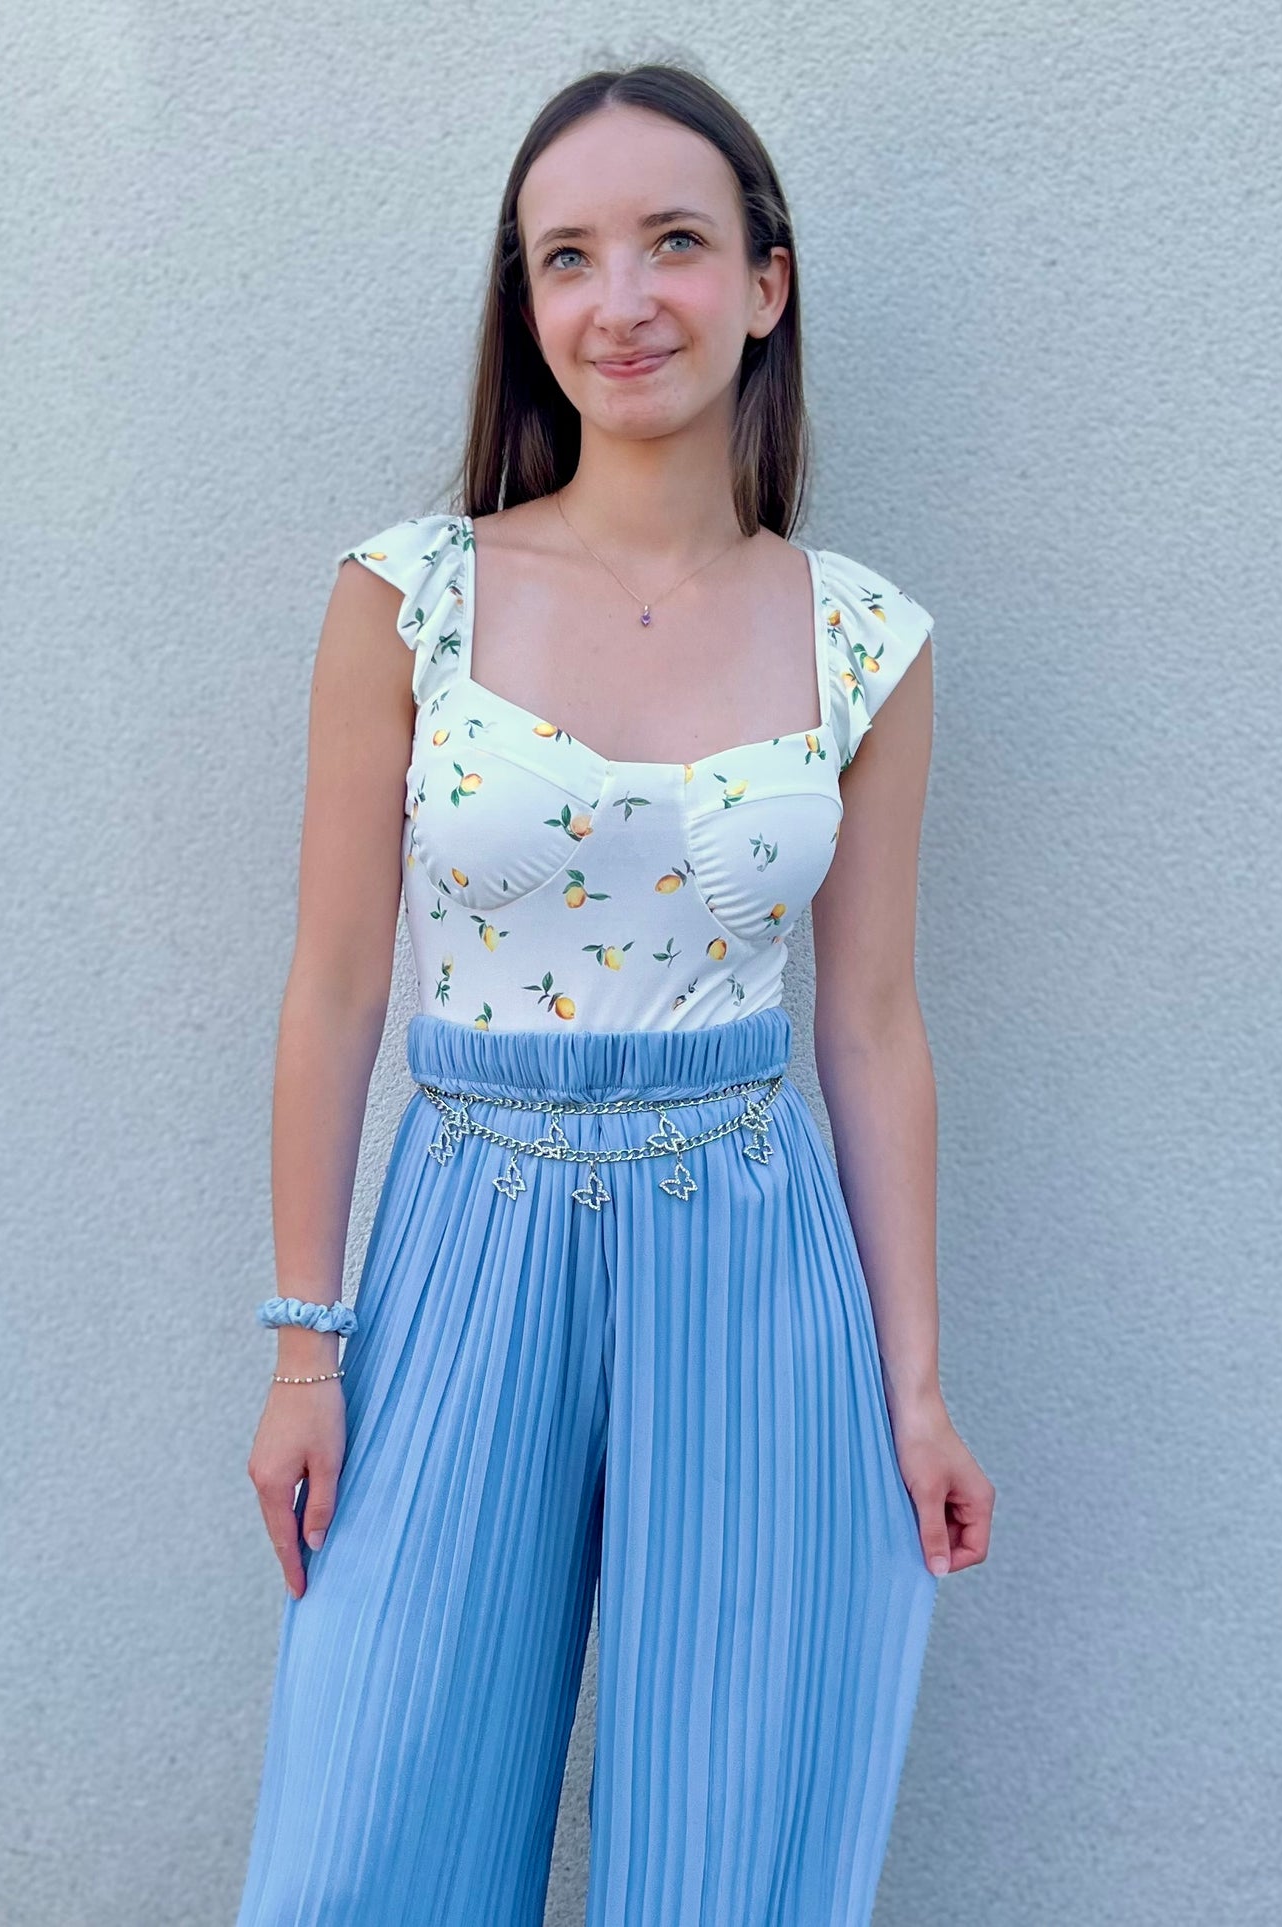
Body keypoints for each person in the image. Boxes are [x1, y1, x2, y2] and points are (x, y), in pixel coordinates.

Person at [235, 59, 994, 1927]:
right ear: (525, 304)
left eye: (673, 242)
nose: (621, 298)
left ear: (764, 283)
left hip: (749, 1239)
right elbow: (332, 988)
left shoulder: (864, 637)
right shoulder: (407, 596)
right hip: (465, 1226)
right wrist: (304, 1350)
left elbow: (869, 1025)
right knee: (372, 1819)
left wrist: (913, 1393)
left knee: (734, 1836)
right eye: (566, 256)